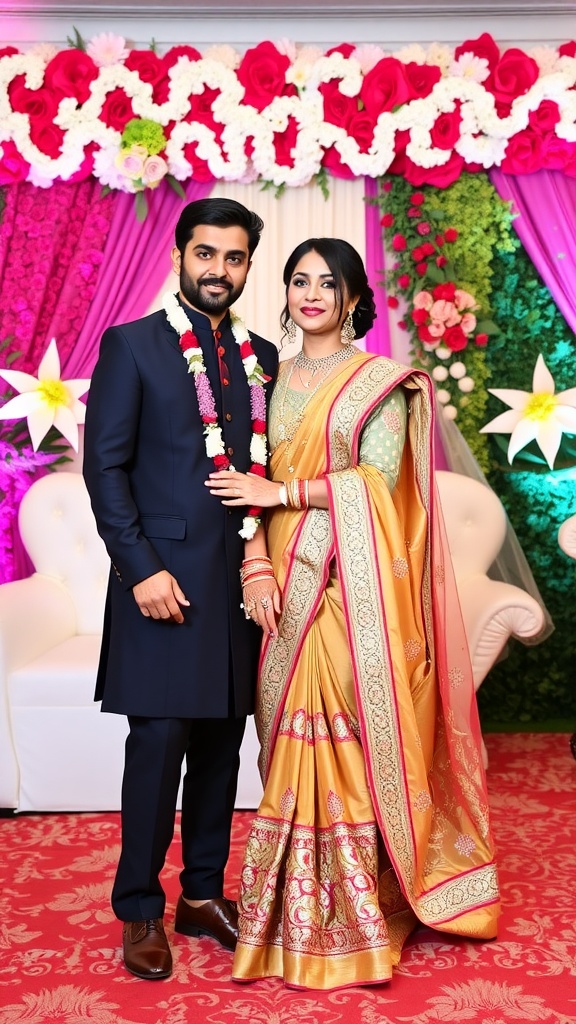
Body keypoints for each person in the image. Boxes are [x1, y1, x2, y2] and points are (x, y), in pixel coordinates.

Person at [206, 238, 501, 990]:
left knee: (337, 730)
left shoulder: (381, 382)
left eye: (326, 283)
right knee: (283, 741)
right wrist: (257, 561)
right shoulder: (261, 374)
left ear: (352, 297)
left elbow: (377, 482)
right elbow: (246, 480)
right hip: (276, 578)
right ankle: (285, 905)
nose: (311, 294)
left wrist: (287, 498)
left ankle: (360, 905)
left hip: (347, 587)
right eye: (298, 280)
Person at [83, 197, 279, 981]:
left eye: (233, 259)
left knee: (222, 753)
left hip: (236, 590)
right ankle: (139, 909)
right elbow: (106, 470)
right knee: (157, 751)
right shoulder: (132, 347)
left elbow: (264, 473)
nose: (218, 272)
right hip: (160, 589)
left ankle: (203, 894)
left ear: (246, 267)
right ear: (178, 255)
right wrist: (141, 571)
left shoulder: (261, 354)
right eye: (206, 255)